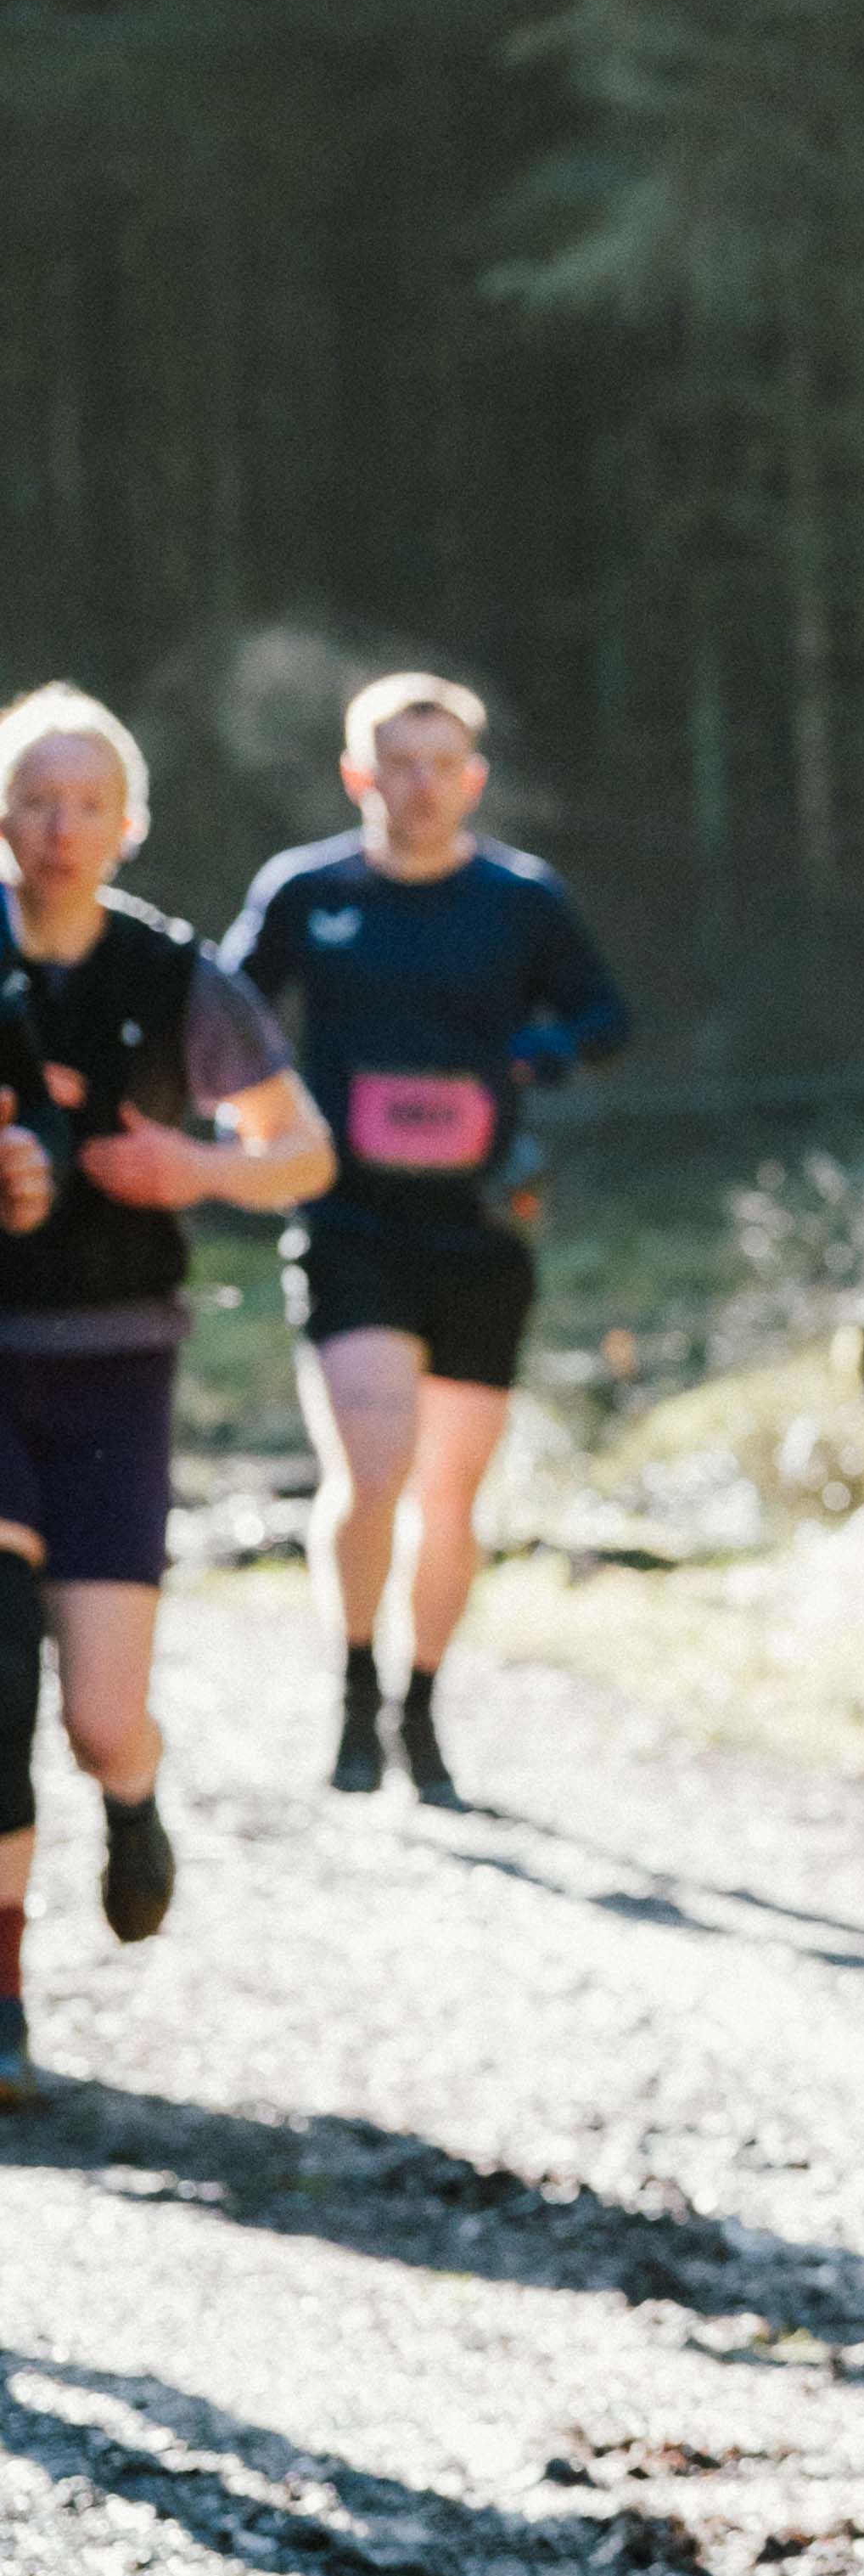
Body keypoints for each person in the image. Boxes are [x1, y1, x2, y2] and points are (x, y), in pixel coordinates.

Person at [0, 687, 334, 2105]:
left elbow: (301, 1155)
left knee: (97, 1715)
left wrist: (194, 1171)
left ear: (130, 825)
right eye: (31, 797)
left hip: (119, 1364)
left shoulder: (177, 980)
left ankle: (132, 1798)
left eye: (87, 804)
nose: (58, 827)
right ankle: (5, 1993)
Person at [222, 669, 628, 1808]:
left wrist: (531, 1060)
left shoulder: (522, 900)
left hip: (479, 1226)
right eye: (395, 764)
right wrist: (251, 1121)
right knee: (371, 1463)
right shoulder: (307, 895)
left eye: (439, 765)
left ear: (472, 779)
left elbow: (606, 1018)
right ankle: (354, 1687)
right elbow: (225, 1013)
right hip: (349, 1220)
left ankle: (423, 1706)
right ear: (359, 775)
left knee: (450, 1498)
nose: (417, 786)